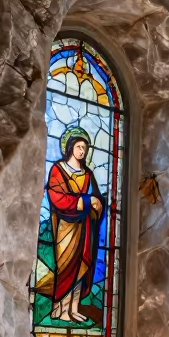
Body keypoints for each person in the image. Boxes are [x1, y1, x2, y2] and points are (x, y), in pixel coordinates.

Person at [45, 127, 104, 324]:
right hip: (65, 227)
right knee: (65, 267)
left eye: (84, 148)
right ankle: (61, 309)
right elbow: (56, 197)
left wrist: (96, 204)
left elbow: (97, 199)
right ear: (70, 147)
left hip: (84, 227)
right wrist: (85, 202)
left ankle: (74, 308)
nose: (82, 151)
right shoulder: (58, 170)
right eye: (79, 147)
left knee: (82, 266)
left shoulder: (87, 174)